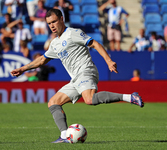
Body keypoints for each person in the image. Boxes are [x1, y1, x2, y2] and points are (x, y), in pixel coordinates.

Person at [11, 9, 144, 143]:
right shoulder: (55, 43)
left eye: (54, 22)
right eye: (49, 23)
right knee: (53, 103)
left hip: (86, 70)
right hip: (75, 79)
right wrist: (23, 69)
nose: (51, 26)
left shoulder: (73, 33)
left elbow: (95, 44)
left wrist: (108, 61)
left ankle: (131, 97)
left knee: (89, 99)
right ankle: (64, 136)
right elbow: (41, 60)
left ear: (62, 19)